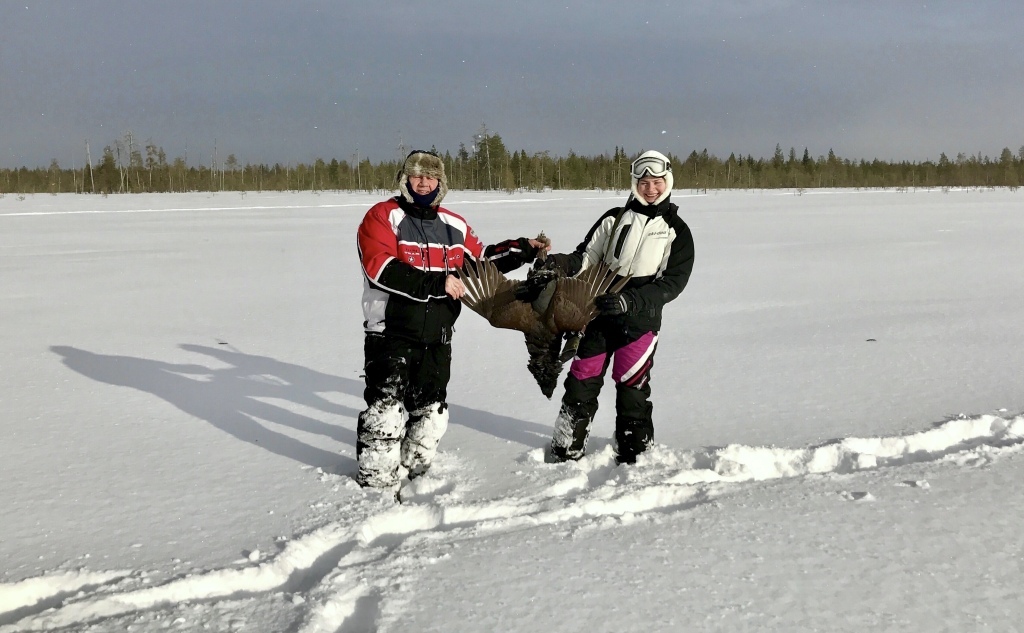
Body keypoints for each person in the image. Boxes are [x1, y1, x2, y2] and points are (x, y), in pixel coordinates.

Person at [355, 149, 547, 489]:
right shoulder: (382, 217)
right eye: (417, 176)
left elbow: (480, 260)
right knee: (385, 412)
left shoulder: (454, 225)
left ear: (441, 183)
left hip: (438, 333)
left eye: (431, 177)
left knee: (430, 414)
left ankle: (415, 475)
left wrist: (521, 249)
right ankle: (377, 485)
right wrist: (436, 283)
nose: (424, 182)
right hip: (391, 331)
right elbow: (380, 268)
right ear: (405, 179)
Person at [539, 150, 695, 464]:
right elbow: (585, 257)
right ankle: (566, 448)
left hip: (639, 323)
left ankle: (634, 453)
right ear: (635, 183)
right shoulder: (613, 218)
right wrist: (556, 265)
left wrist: (630, 301)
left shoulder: (676, 230)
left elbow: (672, 283)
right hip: (597, 315)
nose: (651, 188)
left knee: (632, 386)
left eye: (657, 182)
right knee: (582, 379)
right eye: (644, 181)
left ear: (668, 182)